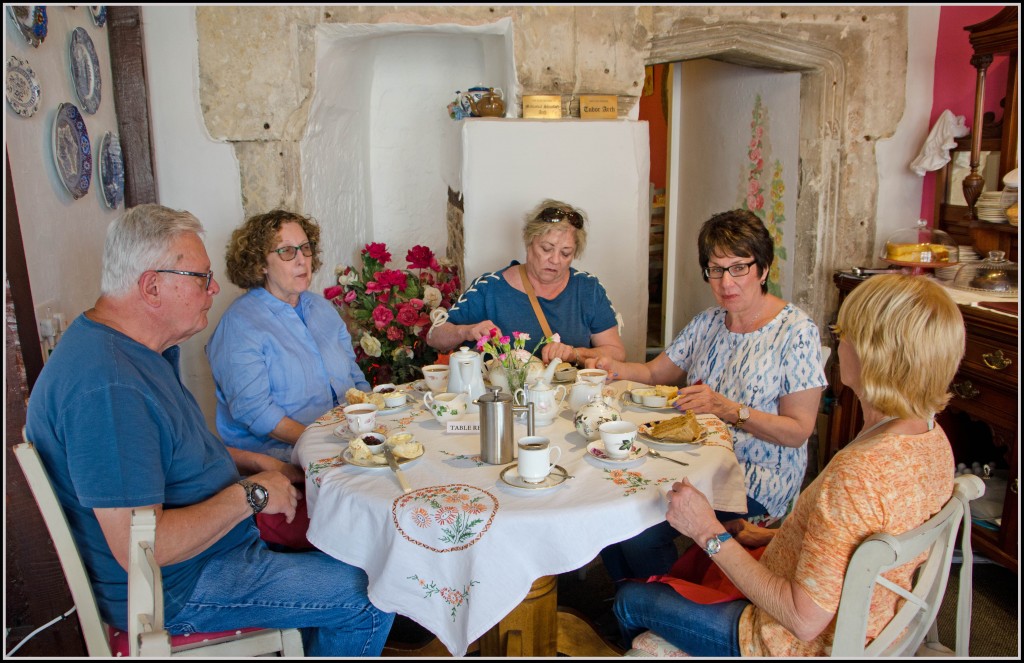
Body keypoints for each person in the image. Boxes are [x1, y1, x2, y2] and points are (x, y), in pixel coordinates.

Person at [25, 205, 394, 656]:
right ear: (153, 286)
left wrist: (254, 461)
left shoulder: (135, 351)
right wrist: (253, 494)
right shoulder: (109, 387)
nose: (214, 289)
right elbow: (142, 547)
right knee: (378, 591)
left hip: (212, 552)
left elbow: (167, 449)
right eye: (202, 278)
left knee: (362, 550)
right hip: (181, 585)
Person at [613, 274, 965, 656]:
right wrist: (765, 536)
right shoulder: (931, 437)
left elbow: (803, 619)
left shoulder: (859, 471)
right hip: (877, 619)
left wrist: (706, 530)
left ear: (872, 354)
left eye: (843, 332)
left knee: (630, 598)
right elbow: (843, 549)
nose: (837, 343)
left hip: (792, 640)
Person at [593, 209, 827, 581]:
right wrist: (611, 368)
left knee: (640, 534)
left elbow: (798, 430)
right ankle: (632, 603)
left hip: (756, 477)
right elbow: (655, 373)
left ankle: (670, 607)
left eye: (739, 268)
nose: (725, 282)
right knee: (612, 507)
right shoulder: (708, 322)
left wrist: (729, 409)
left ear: (763, 269)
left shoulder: (796, 332)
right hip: (691, 460)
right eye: (715, 269)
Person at [207, 209, 370, 463]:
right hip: (281, 458)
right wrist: (326, 441)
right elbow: (257, 413)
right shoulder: (240, 325)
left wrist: (370, 422)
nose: (301, 260)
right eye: (286, 251)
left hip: (346, 442)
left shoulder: (322, 308)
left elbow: (355, 378)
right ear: (260, 263)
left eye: (305, 248)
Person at [426, 198, 626, 366]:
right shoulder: (491, 288)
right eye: (547, 249)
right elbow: (435, 337)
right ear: (529, 242)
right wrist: (467, 330)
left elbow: (616, 353)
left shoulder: (587, 289)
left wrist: (574, 354)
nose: (555, 260)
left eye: (566, 253)